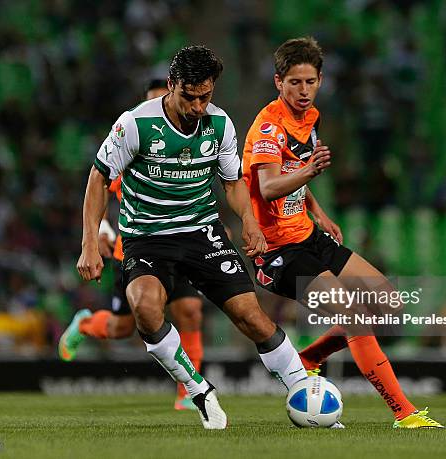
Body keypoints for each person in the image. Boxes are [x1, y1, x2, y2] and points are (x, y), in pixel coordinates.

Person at [76, 46, 309, 430]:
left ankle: (302, 388)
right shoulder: (135, 124)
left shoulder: (219, 125)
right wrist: (89, 241)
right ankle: (198, 390)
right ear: (171, 85)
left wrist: (249, 220)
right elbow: (98, 177)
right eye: (190, 96)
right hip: (147, 237)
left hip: (202, 231)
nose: (199, 106)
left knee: (250, 316)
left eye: (206, 96)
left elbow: (233, 182)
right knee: (145, 307)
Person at [242, 37, 444, 429]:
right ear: (278, 82)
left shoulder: (310, 117)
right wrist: (310, 171)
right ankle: (405, 414)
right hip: (278, 251)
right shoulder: (268, 127)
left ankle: (310, 358)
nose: (304, 91)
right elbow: (267, 185)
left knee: (388, 304)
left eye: (311, 82)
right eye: (295, 83)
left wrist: (318, 211)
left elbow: (296, 172)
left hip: (308, 236)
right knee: (353, 315)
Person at [59, 80, 204, 411]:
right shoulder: (131, 143)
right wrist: (103, 231)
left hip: (179, 244)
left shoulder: (189, 144)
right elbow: (100, 190)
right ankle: (85, 323)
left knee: (190, 312)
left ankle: (191, 391)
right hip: (135, 251)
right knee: (123, 327)